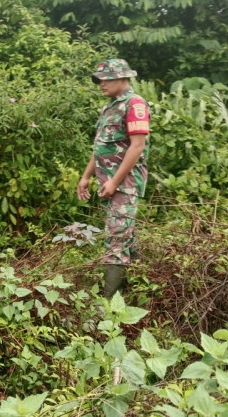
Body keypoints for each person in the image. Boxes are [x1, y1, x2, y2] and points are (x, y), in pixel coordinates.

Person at [77, 59, 150, 299]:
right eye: (99, 79)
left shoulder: (135, 104)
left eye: (106, 79)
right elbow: (100, 147)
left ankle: (109, 306)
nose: (101, 84)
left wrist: (115, 182)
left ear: (123, 78)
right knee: (125, 235)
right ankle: (146, 286)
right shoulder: (109, 107)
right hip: (110, 182)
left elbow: (137, 146)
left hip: (124, 184)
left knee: (116, 241)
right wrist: (86, 176)